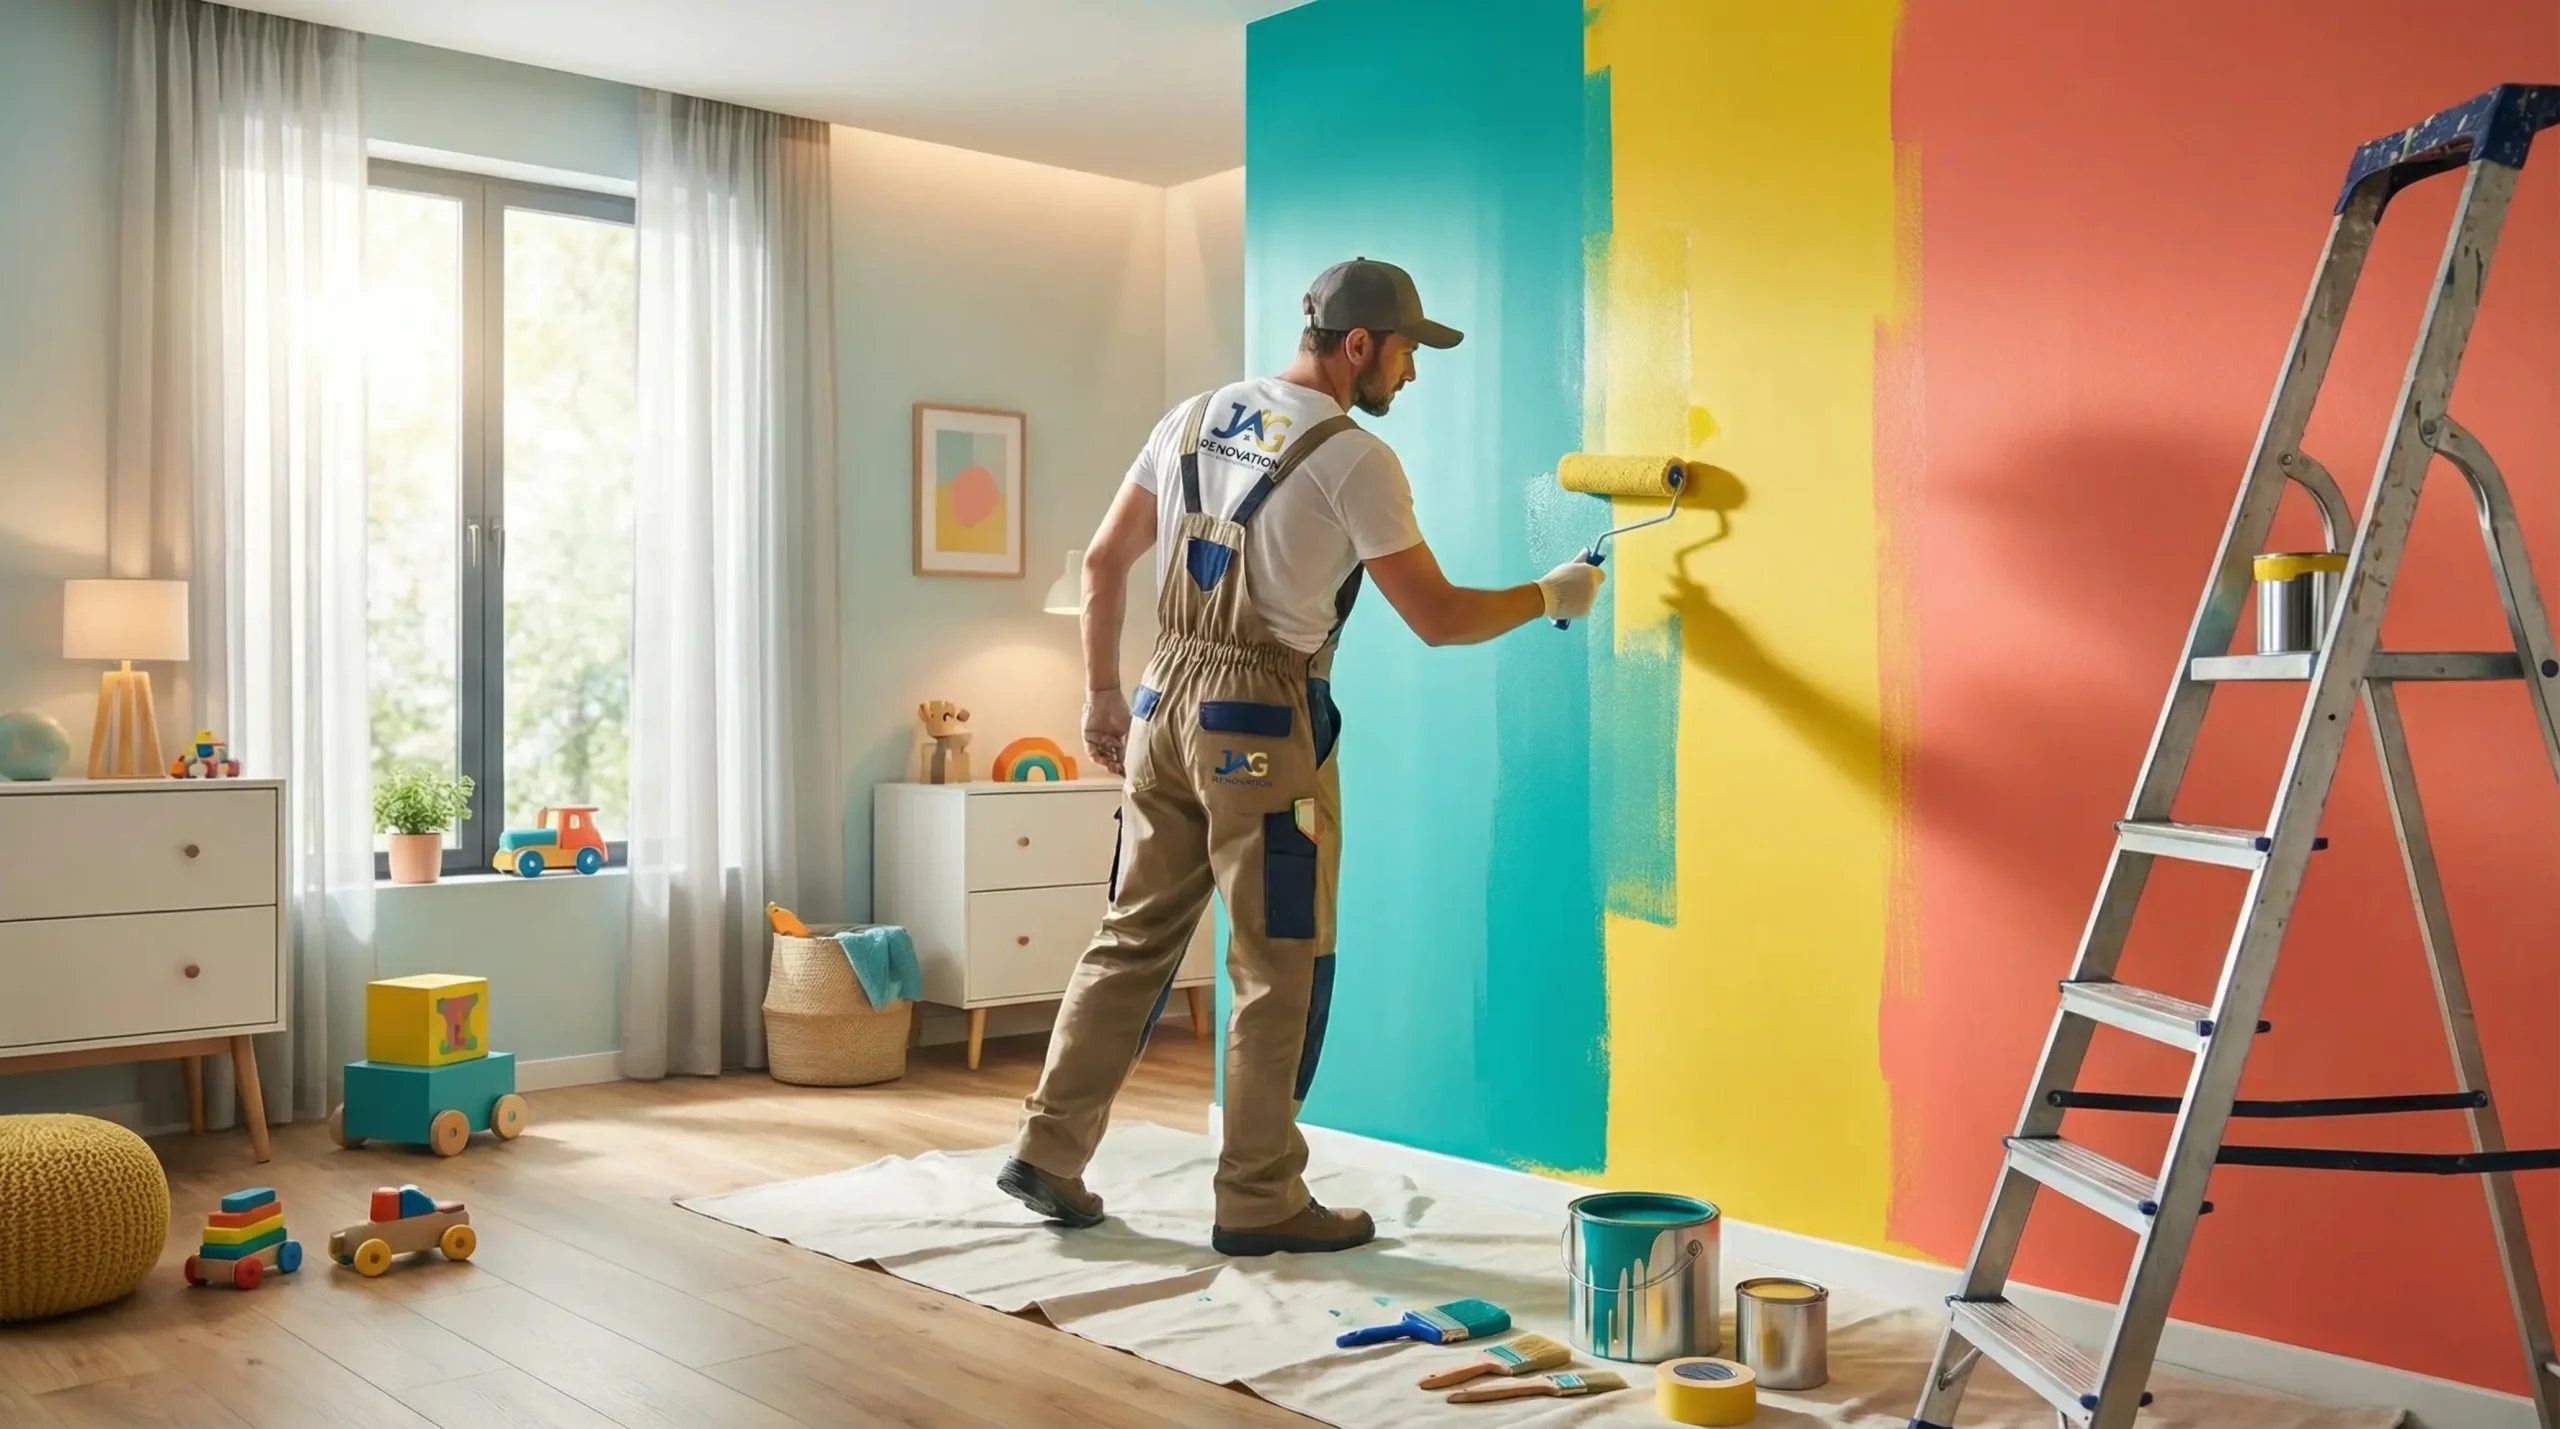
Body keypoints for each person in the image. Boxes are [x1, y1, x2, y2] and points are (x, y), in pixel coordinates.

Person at [998, 258, 1606, 1255]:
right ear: (1358, 343)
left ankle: (1048, 1148)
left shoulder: (1188, 419)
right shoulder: (1353, 460)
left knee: (1132, 935)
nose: (1410, 374)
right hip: (1259, 724)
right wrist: (1549, 594)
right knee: (1279, 964)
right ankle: (1259, 1197)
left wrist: (1102, 694)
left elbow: (1105, 562)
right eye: (1407, 351)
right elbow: (1440, 619)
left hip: (1159, 706)